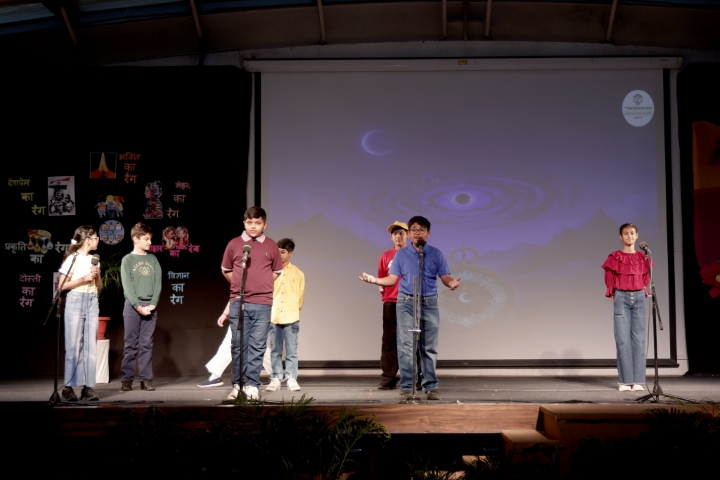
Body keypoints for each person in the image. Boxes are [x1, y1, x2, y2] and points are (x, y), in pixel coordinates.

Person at [360, 216, 460, 401]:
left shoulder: (436, 254)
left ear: (428, 233)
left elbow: (444, 276)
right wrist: (374, 280)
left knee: (428, 347)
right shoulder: (401, 255)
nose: (417, 233)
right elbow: (391, 279)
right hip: (406, 302)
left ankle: (430, 386)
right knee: (406, 346)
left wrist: (451, 282)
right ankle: (406, 387)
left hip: (429, 303)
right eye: (414, 230)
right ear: (410, 233)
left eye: (421, 230)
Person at [221, 206, 283, 401]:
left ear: (265, 224)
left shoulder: (271, 245)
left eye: (257, 223)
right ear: (244, 223)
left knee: (257, 346)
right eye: (249, 223)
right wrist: (238, 284)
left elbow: (277, 271)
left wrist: (262, 284)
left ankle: (252, 385)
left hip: (263, 303)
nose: (253, 226)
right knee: (238, 345)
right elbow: (226, 269)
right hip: (239, 302)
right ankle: (237, 385)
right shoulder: (234, 244)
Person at [602, 223, 652, 392]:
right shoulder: (615, 256)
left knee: (639, 339)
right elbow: (609, 275)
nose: (629, 236)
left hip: (639, 297)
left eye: (632, 233)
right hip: (621, 296)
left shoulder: (643, 257)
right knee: (622, 339)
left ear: (637, 235)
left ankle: (637, 380)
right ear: (620, 237)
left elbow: (646, 277)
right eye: (626, 233)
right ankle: (624, 381)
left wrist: (641, 289)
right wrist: (612, 293)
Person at [57, 226, 103, 402]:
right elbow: (61, 285)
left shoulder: (95, 260)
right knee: (73, 346)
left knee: (90, 347)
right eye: (96, 238)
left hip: (92, 301)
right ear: (88, 240)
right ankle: (68, 388)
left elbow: (99, 287)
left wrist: (96, 275)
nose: (98, 241)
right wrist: (83, 279)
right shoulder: (72, 258)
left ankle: (88, 388)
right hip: (75, 300)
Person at [120, 222, 162, 392]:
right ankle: (127, 379)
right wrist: (138, 307)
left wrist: (153, 304)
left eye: (150, 239)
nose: (150, 242)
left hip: (150, 306)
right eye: (146, 239)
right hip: (132, 307)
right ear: (136, 239)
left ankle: (146, 379)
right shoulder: (127, 260)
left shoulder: (153, 259)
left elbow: (158, 284)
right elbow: (127, 287)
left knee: (146, 344)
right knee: (130, 344)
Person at [266, 238, 305, 392]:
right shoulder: (269, 271)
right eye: (277, 252)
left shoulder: (298, 273)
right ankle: (276, 378)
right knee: (275, 350)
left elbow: (300, 297)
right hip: (274, 315)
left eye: (282, 252)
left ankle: (291, 378)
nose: (279, 255)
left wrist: (294, 311)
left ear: (290, 253)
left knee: (291, 351)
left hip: (291, 317)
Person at [376, 221, 409, 390]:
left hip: (410, 301)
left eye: (401, 233)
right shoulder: (386, 256)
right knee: (389, 341)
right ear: (391, 237)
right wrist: (382, 289)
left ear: (407, 235)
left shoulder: (414, 254)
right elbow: (382, 278)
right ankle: (389, 377)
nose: (398, 236)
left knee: (412, 340)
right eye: (395, 234)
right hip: (391, 302)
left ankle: (414, 376)